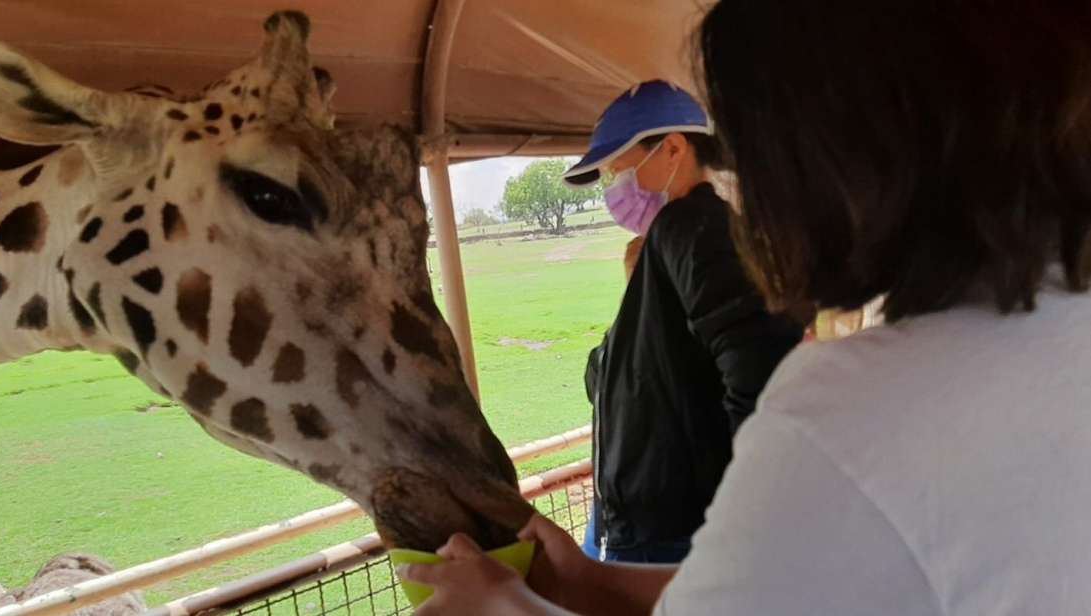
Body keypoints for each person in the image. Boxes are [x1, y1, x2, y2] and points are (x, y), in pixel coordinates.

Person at [399, 0, 1091, 614]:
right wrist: (589, 581)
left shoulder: (845, 413)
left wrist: (495, 608)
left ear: (847, 154)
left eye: (759, 145)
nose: (751, 185)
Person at [573, 80, 804, 564]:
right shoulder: (673, 243)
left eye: (621, 170)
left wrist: (746, 502)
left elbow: (759, 368)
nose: (617, 190)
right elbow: (619, 376)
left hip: (675, 528)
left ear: (673, 148)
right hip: (653, 523)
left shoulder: (692, 229)